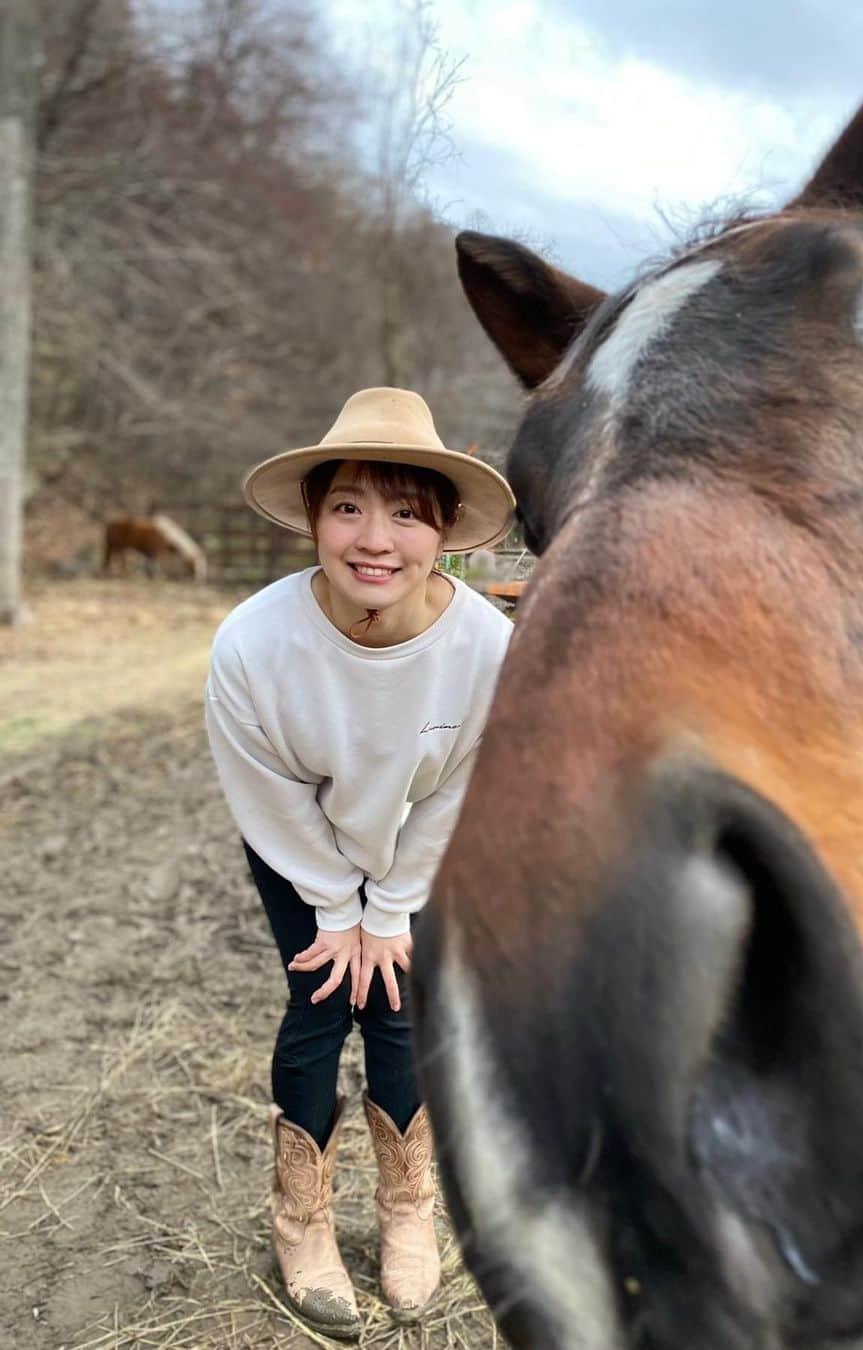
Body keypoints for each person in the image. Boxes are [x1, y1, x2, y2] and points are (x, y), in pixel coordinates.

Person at [205, 387, 515, 1336]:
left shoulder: (485, 647)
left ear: (445, 532)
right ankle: (300, 1223)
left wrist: (392, 909)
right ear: (314, 518)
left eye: (406, 512)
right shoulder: (253, 645)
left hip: (421, 837)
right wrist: (338, 903)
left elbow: (466, 785)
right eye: (348, 507)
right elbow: (266, 793)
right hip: (297, 841)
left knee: (398, 999)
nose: (374, 538)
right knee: (320, 1000)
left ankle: (407, 1212)